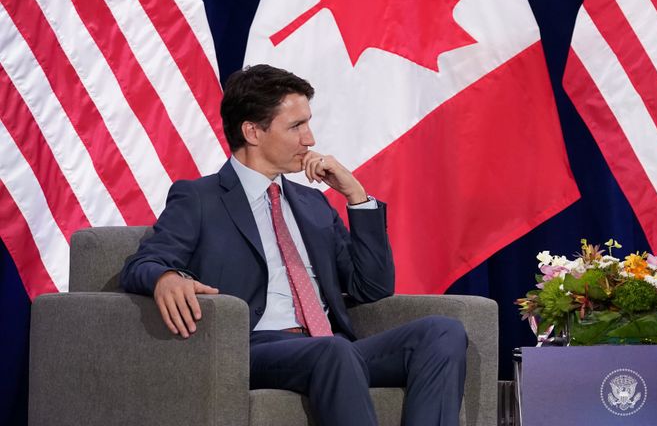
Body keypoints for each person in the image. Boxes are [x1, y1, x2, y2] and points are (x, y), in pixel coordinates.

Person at [122, 64, 467, 426]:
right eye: (296, 126)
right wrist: (167, 277)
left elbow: (372, 287)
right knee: (333, 351)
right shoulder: (200, 198)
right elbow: (143, 263)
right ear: (253, 132)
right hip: (253, 348)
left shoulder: (312, 203)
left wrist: (357, 197)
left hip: (331, 349)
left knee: (442, 332)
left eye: (308, 123)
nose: (310, 139)